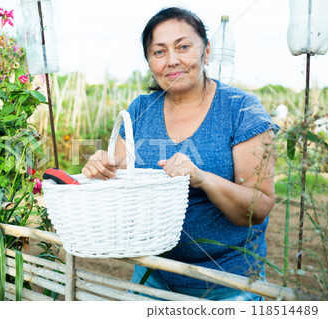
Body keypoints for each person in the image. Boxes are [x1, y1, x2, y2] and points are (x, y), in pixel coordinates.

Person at [82, 7, 279, 301]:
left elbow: (259, 206)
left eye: (183, 47)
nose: (172, 60)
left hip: (229, 285)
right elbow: (121, 188)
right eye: (159, 52)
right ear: (149, 62)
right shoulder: (139, 111)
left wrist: (202, 178)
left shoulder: (240, 109)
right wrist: (101, 171)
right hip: (153, 277)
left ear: (206, 51)